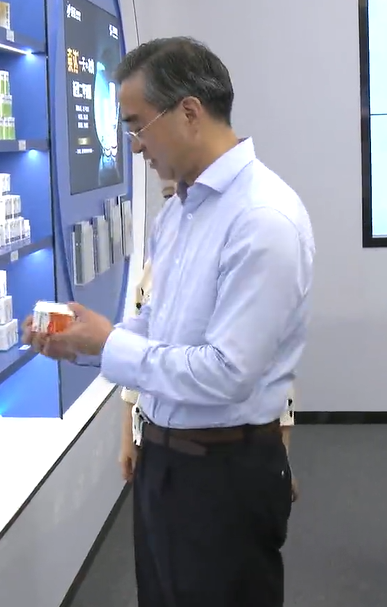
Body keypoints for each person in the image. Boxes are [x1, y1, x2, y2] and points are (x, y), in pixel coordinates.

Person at [28, 36, 314, 607]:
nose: (134, 146)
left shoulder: (262, 218)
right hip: (168, 463)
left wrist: (110, 344)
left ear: (188, 111)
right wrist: (87, 340)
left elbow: (227, 374)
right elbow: (159, 321)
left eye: (137, 126)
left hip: (225, 473)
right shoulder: (181, 210)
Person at [119, 181, 300, 500]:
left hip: (229, 449)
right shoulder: (154, 270)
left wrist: (281, 457)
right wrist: (127, 438)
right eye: (169, 197)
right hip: (158, 445)